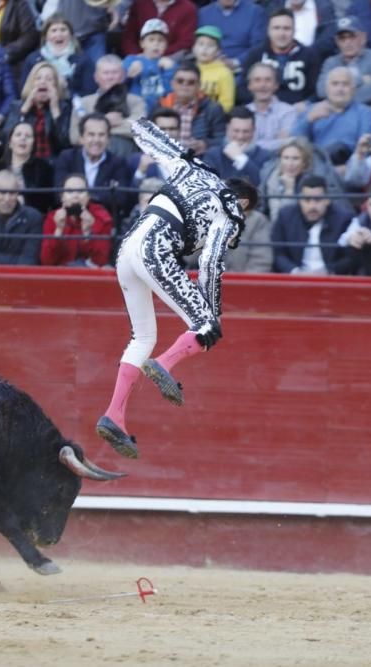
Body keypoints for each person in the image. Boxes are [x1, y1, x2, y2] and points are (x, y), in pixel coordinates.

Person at [95, 119, 256, 459]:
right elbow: (211, 261)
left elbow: (152, 139)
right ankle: (166, 363)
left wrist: (132, 121)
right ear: (244, 203)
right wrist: (210, 312)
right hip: (157, 248)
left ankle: (114, 416)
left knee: (142, 337)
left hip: (127, 249)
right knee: (206, 326)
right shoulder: (230, 211)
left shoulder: (193, 169)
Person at [271, 173, 357, 276]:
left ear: (327, 200)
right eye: (307, 200)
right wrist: (295, 272)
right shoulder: (285, 215)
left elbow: (350, 257)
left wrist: (330, 271)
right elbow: (278, 253)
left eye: (317, 200)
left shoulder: (344, 218)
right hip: (294, 279)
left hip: (331, 280)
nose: (312, 206)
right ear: (299, 200)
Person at [53, 112, 133, 218]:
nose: (96, 140)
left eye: (101, 135)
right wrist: (97, 195)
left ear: (108, 139)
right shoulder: (67, 158)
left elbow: (121, 198)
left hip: (105, 222)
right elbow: (58, 194)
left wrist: (82, 196)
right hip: (70, 218)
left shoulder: (118, 163)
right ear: (81, 138)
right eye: (91, 134)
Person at [69, 54, 147, 158]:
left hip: (125, 155)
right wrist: (106, 122)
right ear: (96, 77)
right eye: (106, 73)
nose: (110, 77)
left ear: (123, 76)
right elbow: (75, 136)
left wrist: (92, 131)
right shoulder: (83, 102)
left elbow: (140, 131)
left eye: (114, 73)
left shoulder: (136, 101)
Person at [238, 10, 320, 105]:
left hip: (297, 112)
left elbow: (314, 93)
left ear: (294, 31)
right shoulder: (255, 54)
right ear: (268, 30)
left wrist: (306, 103)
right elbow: (242, 89)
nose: (281, 34)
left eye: (286, 28)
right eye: (276, 28)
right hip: (262, 110)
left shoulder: (309, 55)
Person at [292, 66, 371, 156]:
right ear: (327, 88)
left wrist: (348, 166)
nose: (340, 89)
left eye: (345, 84)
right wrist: (308, 120)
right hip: (318, 164)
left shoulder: (365, 113)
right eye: (335, 84)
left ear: (353, 89)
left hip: (350, 165)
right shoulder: (312, 110)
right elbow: (295, 143)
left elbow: (366, 149)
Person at [1, 62, 73, 160]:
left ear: (55, 86)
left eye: (49, 79)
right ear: (31, 84)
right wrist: (24, 109)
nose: (43, 82)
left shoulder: (64, 107)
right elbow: (6, 138)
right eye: (38, 78)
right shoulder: (17, 106)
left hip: (52, 162)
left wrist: (55, 110)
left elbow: (64, 143)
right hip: (25, 160)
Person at [40, 173, 114, 267]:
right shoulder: (52, 218)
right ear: (62, 197)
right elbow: (47, 261)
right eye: (70, 191)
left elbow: (100, 261)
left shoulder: (101, 216)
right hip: (60, 274)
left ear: (88, 196)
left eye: (81, 191)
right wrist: (58, 230)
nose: (76, 196)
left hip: (90, 273)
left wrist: (88, 233)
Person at [315, 16, 371, 105]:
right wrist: (361, 80)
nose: (347, 42)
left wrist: (340, 97)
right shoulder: (330, 62)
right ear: (337, 41)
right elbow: (321, 91)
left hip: (370, 110)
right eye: (342, 38)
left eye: (352, 37)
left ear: (363, 38)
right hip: (337, 113)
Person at [0, 119, 55, 214]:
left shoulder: (43, 168)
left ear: (33, 144)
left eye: (28, 136)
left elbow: (48, 201)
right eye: (18, 135)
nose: (23, 139)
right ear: (10, 142)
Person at [19, 14, 96, 99]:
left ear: (70, 34)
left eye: (63, 30)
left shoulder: (83, 60)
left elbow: (89, 92)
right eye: (54, 31)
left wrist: (65, 90)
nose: (59, 35)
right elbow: (24, 90)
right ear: (45, 36)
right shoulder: (33, 59)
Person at [157, 63, 227, 155]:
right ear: (172, 83)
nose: (185, 85)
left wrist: (205, 144)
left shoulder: (212, 108)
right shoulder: (160, 104)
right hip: (164, 156)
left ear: (199, 85)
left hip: (198, 159)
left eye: (191, 82)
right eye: (180, 81)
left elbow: (223, 139)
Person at [202, 106, 271, 185]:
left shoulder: (264, 156)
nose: (240, 136)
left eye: (246, 131)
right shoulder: (213, 155)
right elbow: (208, 184)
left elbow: (263, 184)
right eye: (236, 131)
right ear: (227, 129)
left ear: (254, 130)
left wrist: (241, 158)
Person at [122, 18, 176, 115]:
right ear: (142, 43)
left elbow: (171, 92)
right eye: (151, 40)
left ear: (166, 45)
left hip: (160, 112)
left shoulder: (169, 64)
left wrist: (169, 72)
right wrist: (129, 76)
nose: (156, 44)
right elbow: (120, 87)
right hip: (135, 111)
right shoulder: (131, 60)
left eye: (161, 40)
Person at [196, 0, 268, 71]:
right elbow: (198, 44)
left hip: (242, 69)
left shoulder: (255, 12)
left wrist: (235, 62)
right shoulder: (203, 13)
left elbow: (258, 46)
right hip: (208, 66)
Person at [245, 62, 297, 153]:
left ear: (276, 85)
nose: (262, 85)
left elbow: (288, 144)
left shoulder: (289, 112)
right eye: (257, 80)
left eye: (268, 80)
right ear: (250, 85)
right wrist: (276, 142)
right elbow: (235, 143)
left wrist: (251, 145)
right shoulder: (243, 112)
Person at [120, 0, 198, 58]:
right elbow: (129, 37)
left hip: (171, 59)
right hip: (138, 58)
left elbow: (186, 42)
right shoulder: (139, 4)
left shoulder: (188, 8)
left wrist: (157, 54)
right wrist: (136, 57)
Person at [192, 26, 234, 113]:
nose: (204, 49)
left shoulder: (224, 73)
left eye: (210, 45)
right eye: (201, 44)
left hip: (212, 118)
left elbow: (227, 104)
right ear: (194, 48)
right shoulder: (188, 69)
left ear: (218, 51)